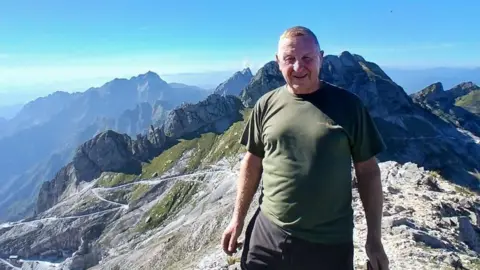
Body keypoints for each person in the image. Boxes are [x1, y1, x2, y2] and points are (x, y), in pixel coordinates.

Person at [221, 26, 389, 270]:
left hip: (328, 245)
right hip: (267, 235)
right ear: (278, 62)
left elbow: (369, 172)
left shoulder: (349, 106)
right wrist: (237, 219)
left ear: (321, 58)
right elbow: (252, 161)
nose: (298, 68)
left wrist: (374, 240)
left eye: (307, 58)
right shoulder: (266, 104)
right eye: (289, 59)